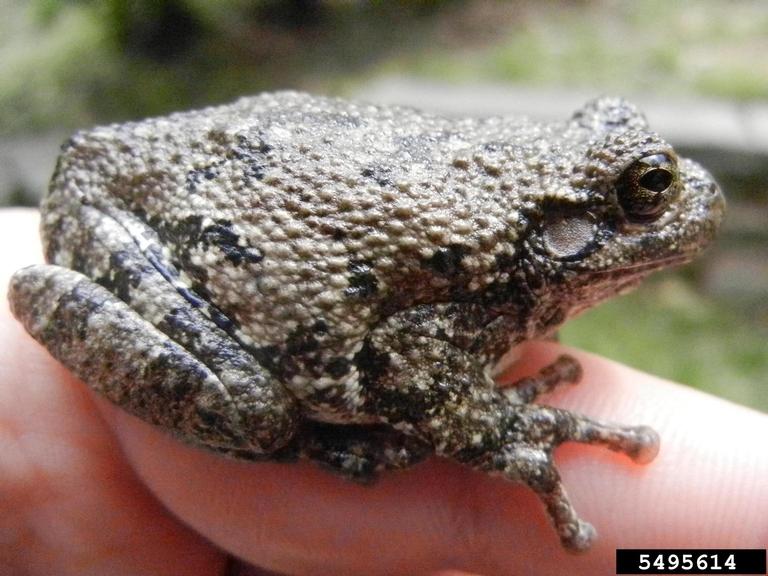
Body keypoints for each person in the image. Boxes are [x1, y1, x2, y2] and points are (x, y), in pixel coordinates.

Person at [1, 209, 765, 576]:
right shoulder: (468, 297)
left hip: (247, 185)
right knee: (257, 414)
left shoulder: (489, 274)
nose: (689, 202)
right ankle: (304, 438)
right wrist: (493, 429)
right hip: (181, 243)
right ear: (562, 229)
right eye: (647, 193)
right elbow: (403, 353)